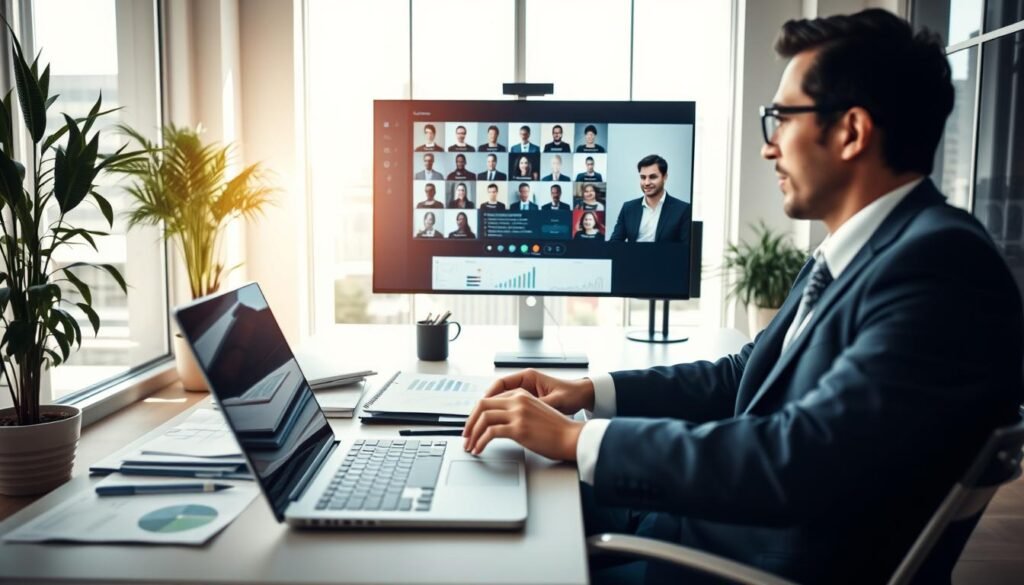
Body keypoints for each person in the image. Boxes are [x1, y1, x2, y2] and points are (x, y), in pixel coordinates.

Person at [462, 10, 1024, 585]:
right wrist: (589, 393)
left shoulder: (942, 267)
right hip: (706, 526)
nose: (768, 148)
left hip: (736, 565)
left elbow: (800, 457)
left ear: (852, 132)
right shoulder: (858, 251)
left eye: (781, 119)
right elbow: (744, 377)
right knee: (490, 491)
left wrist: (578, 439)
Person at [608, 154, 691, 243]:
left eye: (653, 177)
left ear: (664, 177)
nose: (646, 183)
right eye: (643, 177)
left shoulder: (683, 210)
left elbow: (686, 248)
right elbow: (614, 244)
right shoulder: (628, 208)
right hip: (633, 253)